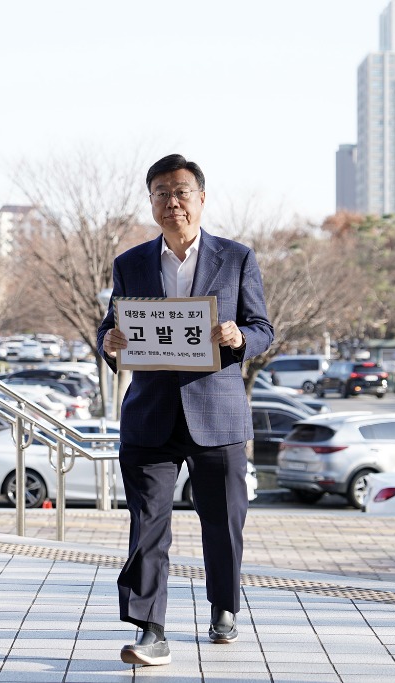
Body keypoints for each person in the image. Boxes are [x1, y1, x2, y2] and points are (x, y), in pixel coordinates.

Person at [97, 154, 274, 666]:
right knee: (146, 524)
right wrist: (108, 342)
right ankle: (150, 628)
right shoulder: (130, 263)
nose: (171, 202)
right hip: (150, 414)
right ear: (150, 201)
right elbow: (113, 326)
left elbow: (263, 327)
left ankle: (223, 608)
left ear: (200, 198)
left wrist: (241, 336)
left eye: (181, 192)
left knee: (223, 520)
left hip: (216, 413)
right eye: (160, 193)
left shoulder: (236, 258)